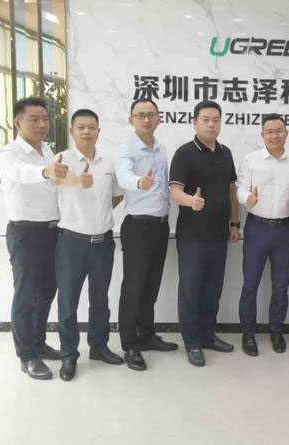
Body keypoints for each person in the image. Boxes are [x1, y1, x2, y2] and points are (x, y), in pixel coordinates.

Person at [54, 109, 125, 381]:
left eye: (92, 127)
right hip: (71, 243)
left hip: (102, 243)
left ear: (98, 131)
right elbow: (55, 180)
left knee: (100, 299)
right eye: (81, 127)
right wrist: (76, 181)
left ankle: (98, 347)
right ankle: (68, 354)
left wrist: (99, 214)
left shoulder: (108, 163)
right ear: (72, 130)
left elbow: (116, 196)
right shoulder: (62, 160)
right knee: (68, 301)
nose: (87, 131)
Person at [0, 97, 63, 380]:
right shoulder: (8, 153)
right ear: (18, 122)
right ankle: (27, 356)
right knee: (26, 295)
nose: (41, 125)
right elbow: (21, 174)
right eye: (34, 119)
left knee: (47, 291)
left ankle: (38, 342)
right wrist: (45, 171)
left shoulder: (47, 150)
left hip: (52, 231)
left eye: (45, 119)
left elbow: (55, 186)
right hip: (25, 232)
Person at [169, 100, 240, 367]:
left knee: (213, 288)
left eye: (216, 120)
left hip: (219, 235)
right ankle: (192, 342)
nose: (211, 125)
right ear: (195, 122)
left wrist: (234, 223)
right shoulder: (184, 153)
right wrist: (192, 201)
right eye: (206, 120)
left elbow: (231, 191)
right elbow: (174, 191)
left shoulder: (226, 153)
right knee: (190, 290)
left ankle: (208, 335)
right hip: (192, 236)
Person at [116, 99, 178, 372]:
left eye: (151, 114)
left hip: (160, 225)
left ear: (159, 118)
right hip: (138, 227)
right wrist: (139, 182)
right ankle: (130, 344)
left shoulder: (161, 148)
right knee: (133, 286)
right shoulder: (126, 149)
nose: (146, 119)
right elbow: (123, 177)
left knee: (151, 285)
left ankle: (147, 334)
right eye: (140, 115)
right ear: (131, 120)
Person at [236, 114, 289, 356]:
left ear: (287, 133)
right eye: (270, 132)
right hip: (257, 228)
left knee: (281, 284)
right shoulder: (251, 160)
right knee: (250, 284)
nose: (275, 135)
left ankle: (276, 331)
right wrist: (248, 198)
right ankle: (248, 333)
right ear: (262, 135)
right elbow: (240, 189)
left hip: (285, 229)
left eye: (279, 131)